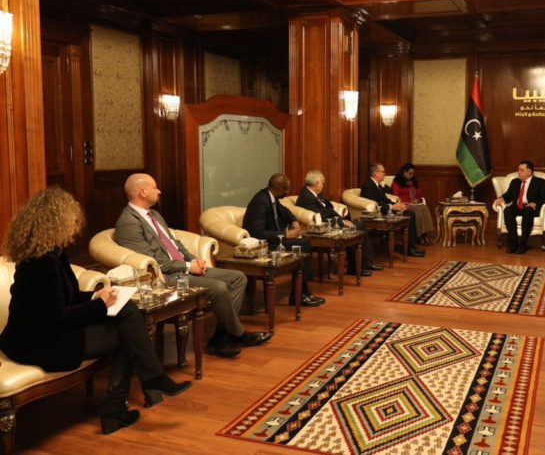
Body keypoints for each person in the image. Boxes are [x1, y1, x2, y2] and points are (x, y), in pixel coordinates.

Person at [0, 187, 191, 435]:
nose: (73, 226)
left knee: (128, 318)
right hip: (39, 343)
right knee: (130, 332)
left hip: (48, 334)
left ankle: (141, 390)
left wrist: (95, 296)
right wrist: (100, 305)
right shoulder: (41, 263)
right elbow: (57, 317)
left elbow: (64, 298)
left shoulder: (52, 254)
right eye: (70, 220)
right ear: (56, 222)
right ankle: (125, 401)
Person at [115, 174, 270, 359]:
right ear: (142, 192)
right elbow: (154, 263)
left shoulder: (154, 214)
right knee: (219, 287)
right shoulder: (128, 222)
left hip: (182, 268)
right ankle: (238, 334)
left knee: (238, 278)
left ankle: (221, 337)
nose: (159, 191)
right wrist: (188, 267)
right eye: (155, 187)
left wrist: (194, 260)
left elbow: (174, 244)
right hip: (166, 277)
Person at [242, 174, 324, 307]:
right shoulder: (261, 202)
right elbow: (257, 232)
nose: (288, 192)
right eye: (286, 190)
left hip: (273, 240)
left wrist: (294, 220)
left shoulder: (271, 197)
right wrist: (285, 234)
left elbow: (285, 211)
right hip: (264, 244)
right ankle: (300, 294)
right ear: (279, 189)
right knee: (303, 244)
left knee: (304, 241)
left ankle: (302, 291)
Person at [295, 170, 382, 276]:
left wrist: (343, 220)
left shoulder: (316, 194)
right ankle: (356, 268)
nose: (323, 185)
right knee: (358, 226)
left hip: (331, 222)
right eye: (322, 183)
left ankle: (364, 263)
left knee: (359, 224)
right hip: (322, 228)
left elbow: (330, 210)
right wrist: (342, 222)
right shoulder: (306, 197)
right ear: (316, 184)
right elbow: (322, 216)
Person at [360, 163, 425, 257]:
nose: (385, 174)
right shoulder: (368, 186)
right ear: (376, 173)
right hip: (380, 213)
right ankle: (409, 249)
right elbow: (375, 204)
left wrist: (397, 204)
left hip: (386, 209)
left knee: (410, 213)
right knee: (409, 214)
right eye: (383, 172)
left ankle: (410, 246)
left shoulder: (377, 185)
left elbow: (385, 200)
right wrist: (392, 207)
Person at [492, 160, 545, 254]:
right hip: (517, 206)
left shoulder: (540, 182)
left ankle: (523, 244)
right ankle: (513, 243)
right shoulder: (515, 182)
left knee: (528, 211)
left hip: (529, 207)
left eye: (521, 170)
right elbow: (508, 195)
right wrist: (501, 198)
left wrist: (535, 203)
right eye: (518, 169)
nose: (518, 172)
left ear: (529, 172)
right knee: (508, 210)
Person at [391, 162, 435, 245]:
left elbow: (419, 193)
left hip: (414, 203)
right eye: (410, 174)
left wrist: (417, 200)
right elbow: (395, 196)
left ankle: (425, 234)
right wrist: (406, 202)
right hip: (404, 204)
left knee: (424, 208)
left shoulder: (413, 181)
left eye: (412, 174)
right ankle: (419, 236)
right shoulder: (397, 182)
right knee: (417, 211)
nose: (411, 175)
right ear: (404, 172)